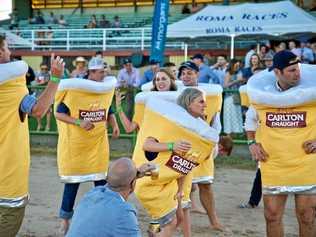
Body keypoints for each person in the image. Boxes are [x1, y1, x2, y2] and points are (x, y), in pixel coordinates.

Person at [246, 50, 316, 237]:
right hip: (273, 161)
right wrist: (252, 142)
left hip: (306, 162)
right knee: (272, 215)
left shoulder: (312, 91)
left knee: (307, 215)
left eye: (298, 69)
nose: (298, 74)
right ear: (277, 72)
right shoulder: (262, 94)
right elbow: (250, 120)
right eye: (292, 70)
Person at [0, 35, 64, 237]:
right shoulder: (12, 85)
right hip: (7, 182)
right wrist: (55, 78)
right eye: (7, 48)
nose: (11, 53)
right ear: (1, 53)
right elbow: (38, 110)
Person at [133, 88, 219, 237]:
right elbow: (147, 145)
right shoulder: (168, 122)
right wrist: (172, 145)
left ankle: (152, 233)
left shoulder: (197, 130)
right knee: (170, 222)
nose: (206, 105)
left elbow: (183, 165)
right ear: (189, 103)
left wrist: (179, 190)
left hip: (169, 182)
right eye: (201, 101)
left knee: (174, 218)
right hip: (151, 182)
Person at [55, 57, 117, 235]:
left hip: (97, 144)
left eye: (104, 72)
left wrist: (114, 124)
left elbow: (108, 109)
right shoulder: (76, 90)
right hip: (77, 145)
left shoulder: (104, 89)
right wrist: (78, 122)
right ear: (91, 72)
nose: (103, 75)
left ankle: (101, 218)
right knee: (72, 183)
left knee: (101, 184)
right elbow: (59, 114)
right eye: (100, 72)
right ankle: (65, 220)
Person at [178, 61, 223, 231]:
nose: (186, 76)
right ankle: (178, 221)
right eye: (183, 73)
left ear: (197, 74)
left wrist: (213, 142)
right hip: (183, 146)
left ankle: (214, 221)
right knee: (178, 185)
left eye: (189, 73)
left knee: (205, 184)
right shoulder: (174, 95)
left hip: (203, 145)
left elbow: (215, 122)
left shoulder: (211, 96)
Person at [66, 157, 155, 237]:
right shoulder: (124, 213)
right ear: (132, 184)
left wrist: (135, 174)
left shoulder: (92, 193)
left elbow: (114, 181)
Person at [115, 68, 177, 134]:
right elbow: (129, 128)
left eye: (164, 79)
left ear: (171, 81)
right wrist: (118, 106)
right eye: (157, 79)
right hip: (147, 143)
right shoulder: (144, 102)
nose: (160, 82)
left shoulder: (178, 102)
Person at [223, 59, 244, 135]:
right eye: (236, 65)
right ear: (232, 65)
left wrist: (241, 81)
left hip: (236, 96)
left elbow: (241, 83)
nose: (237, 67)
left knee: (236, 115)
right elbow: (225, 85)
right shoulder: (228, 73)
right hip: (229, 97)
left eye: (238, 65)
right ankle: (228, 133)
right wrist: (236, 81)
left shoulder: (239, 72)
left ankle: (236, 133)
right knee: (229, 116)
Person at [34, 62, 52, 131]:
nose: (44, 70)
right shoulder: (38, 74)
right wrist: (40, 83)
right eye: (42, 69)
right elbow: (36, 82)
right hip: (38, 94)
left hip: (47, 94)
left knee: (48, 111)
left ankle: (48, 126)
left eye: (45, 69)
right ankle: (39, 125)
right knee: (37, 110)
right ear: (40, 68)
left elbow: (45, 82)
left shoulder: (49, 74)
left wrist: (39, 83)